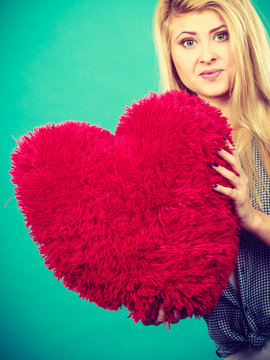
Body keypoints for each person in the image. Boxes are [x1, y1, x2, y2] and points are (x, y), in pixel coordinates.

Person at [142, 0, 270, 359]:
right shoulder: (163, 155)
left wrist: (253, 218)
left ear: (244, 39)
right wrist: (170, 295)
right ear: (171, 55)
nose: (207, 56)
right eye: (188, 42)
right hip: (234, 351)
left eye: (220, 35)